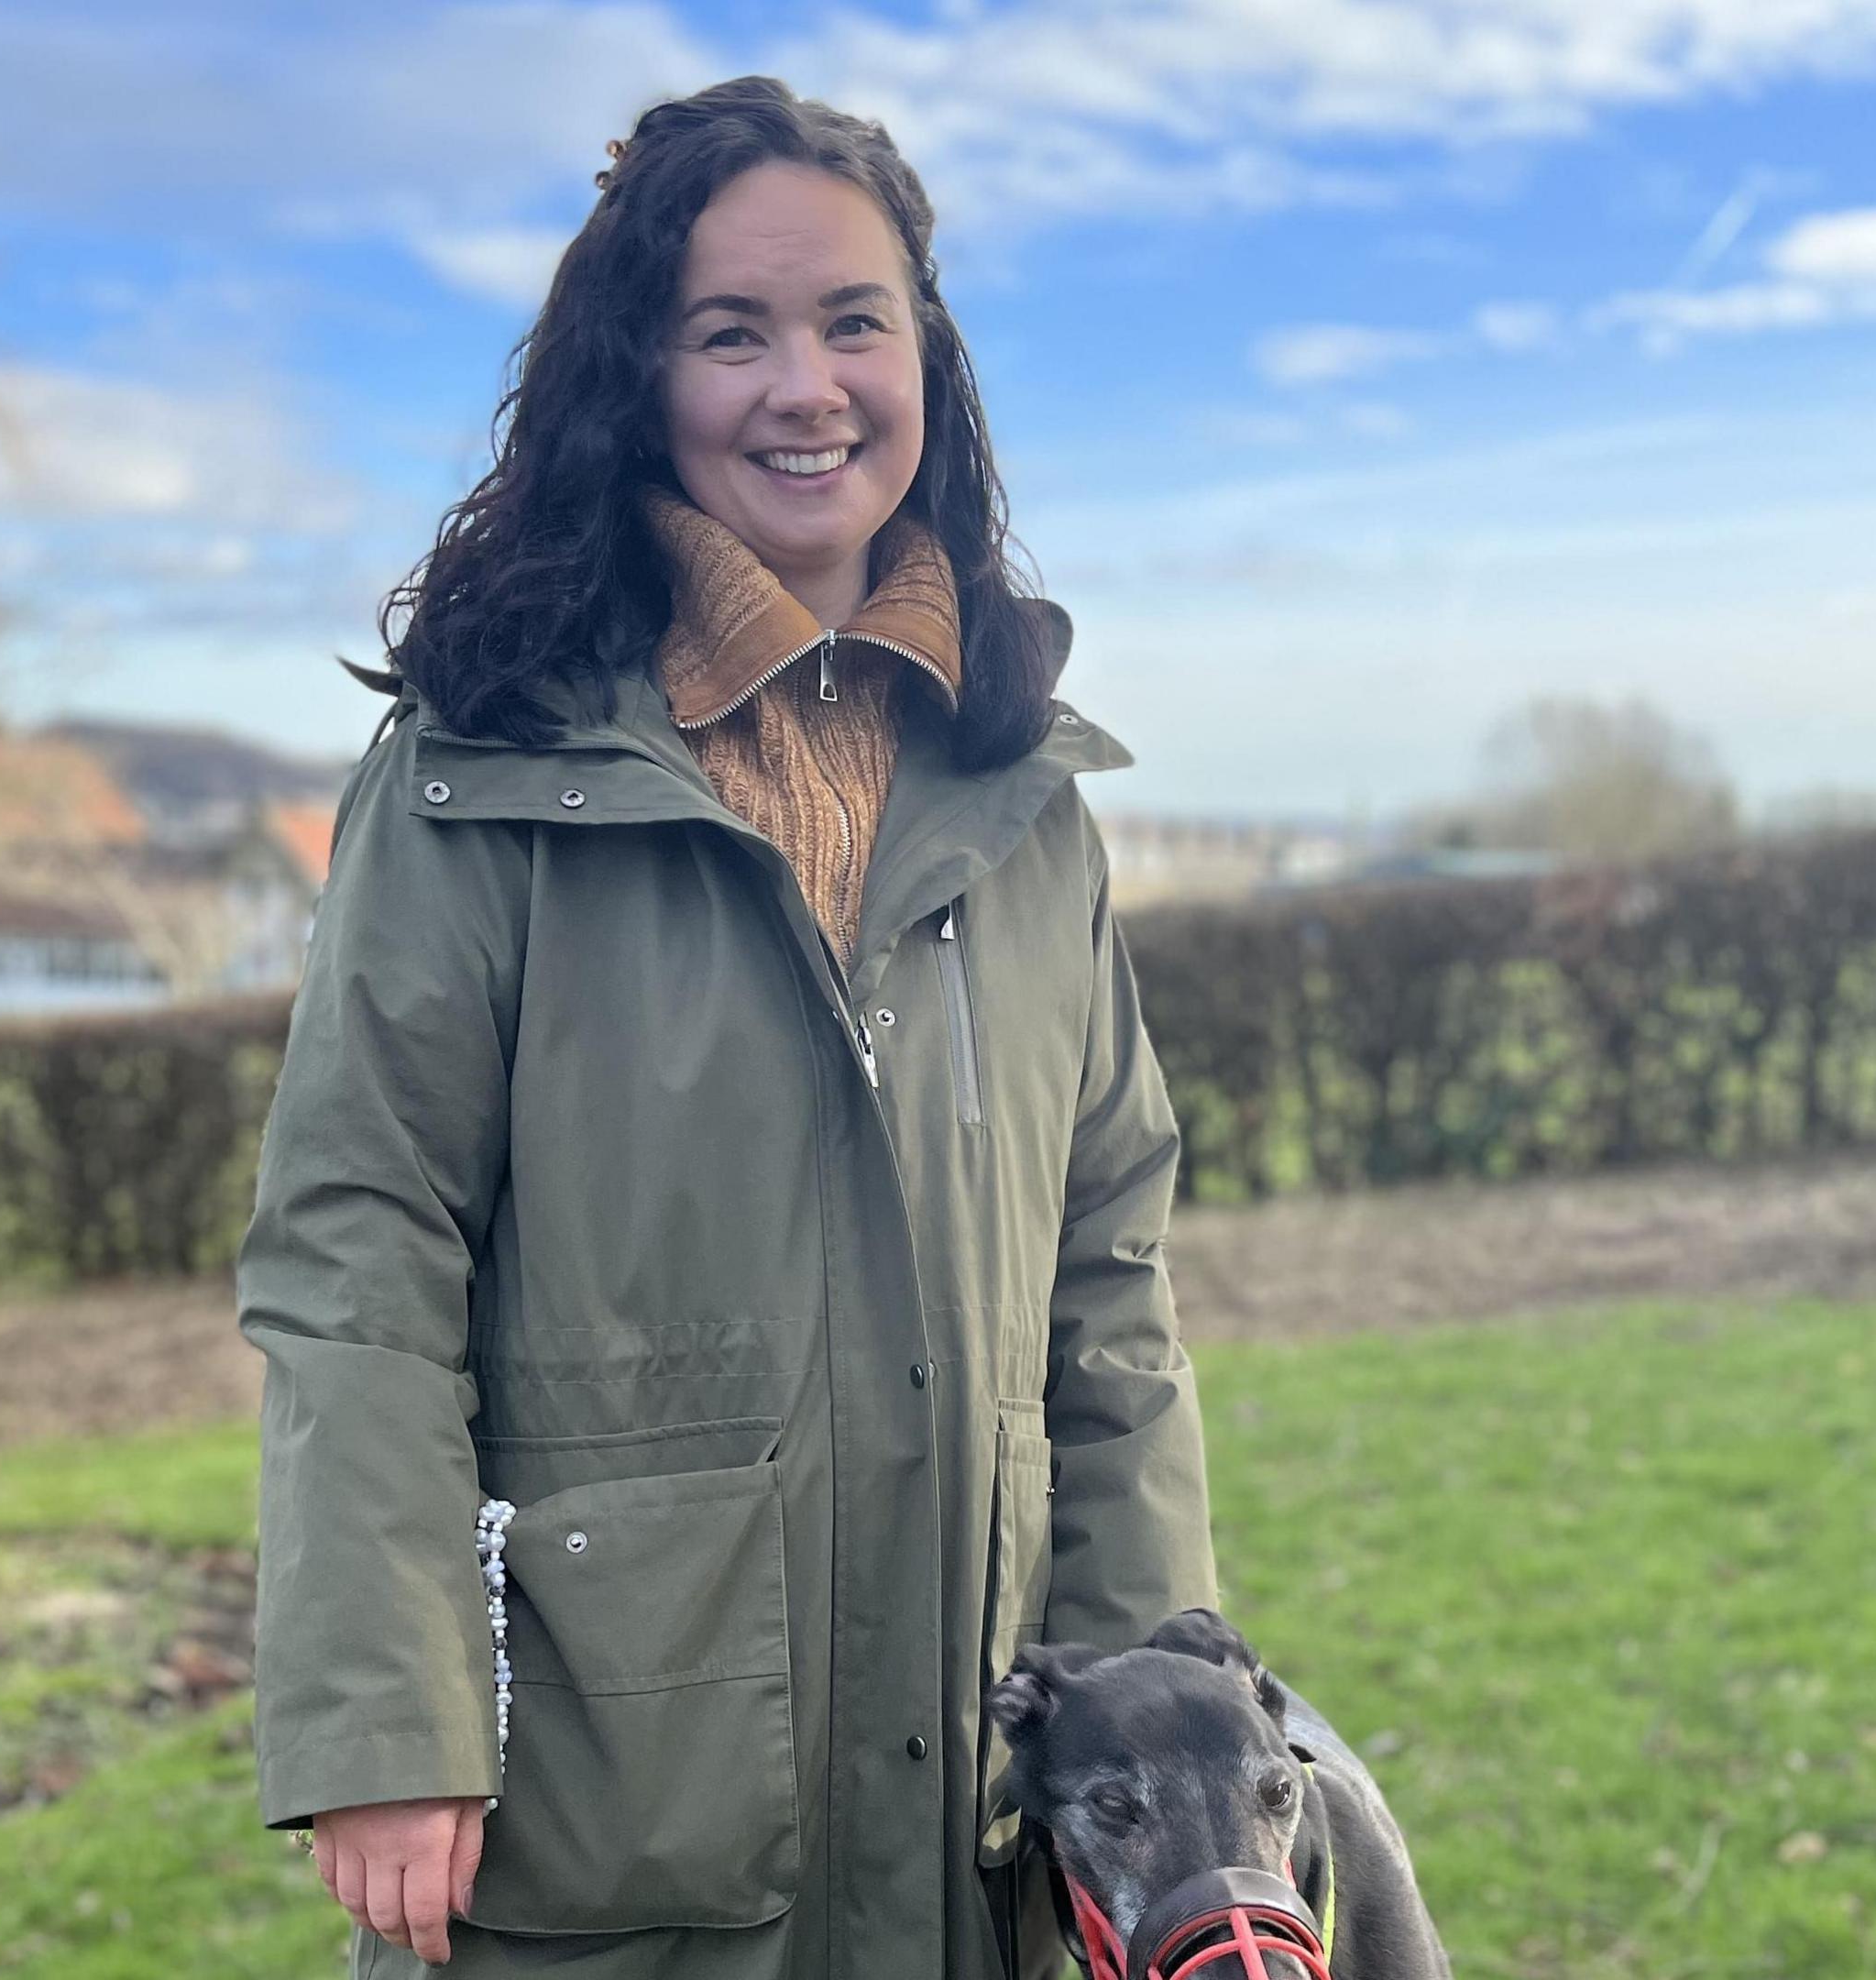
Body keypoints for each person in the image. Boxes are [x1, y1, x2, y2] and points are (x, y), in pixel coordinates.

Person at [236, 75, 1218, 1980]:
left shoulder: (1025, 798)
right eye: (731, 331)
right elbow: (358, 1253)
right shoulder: (478, 777)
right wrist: (384, 1720)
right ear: (637, 375)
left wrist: (1160, 1699)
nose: (808, 385)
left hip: (974, 1781)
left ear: (924, 356)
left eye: (855, 321)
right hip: (605, 1791)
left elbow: (1110, 1284)